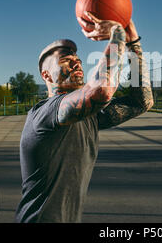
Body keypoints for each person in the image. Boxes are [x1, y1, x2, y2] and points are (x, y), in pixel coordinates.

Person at [14, 11, 153, 223]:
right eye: (66, 60)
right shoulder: (45, 113)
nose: (76, 63)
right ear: (46, 75)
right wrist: (117, 34)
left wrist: (134, 43)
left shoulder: (89, 117)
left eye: (78, 60)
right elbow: (102, 90)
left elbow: (142, 102)